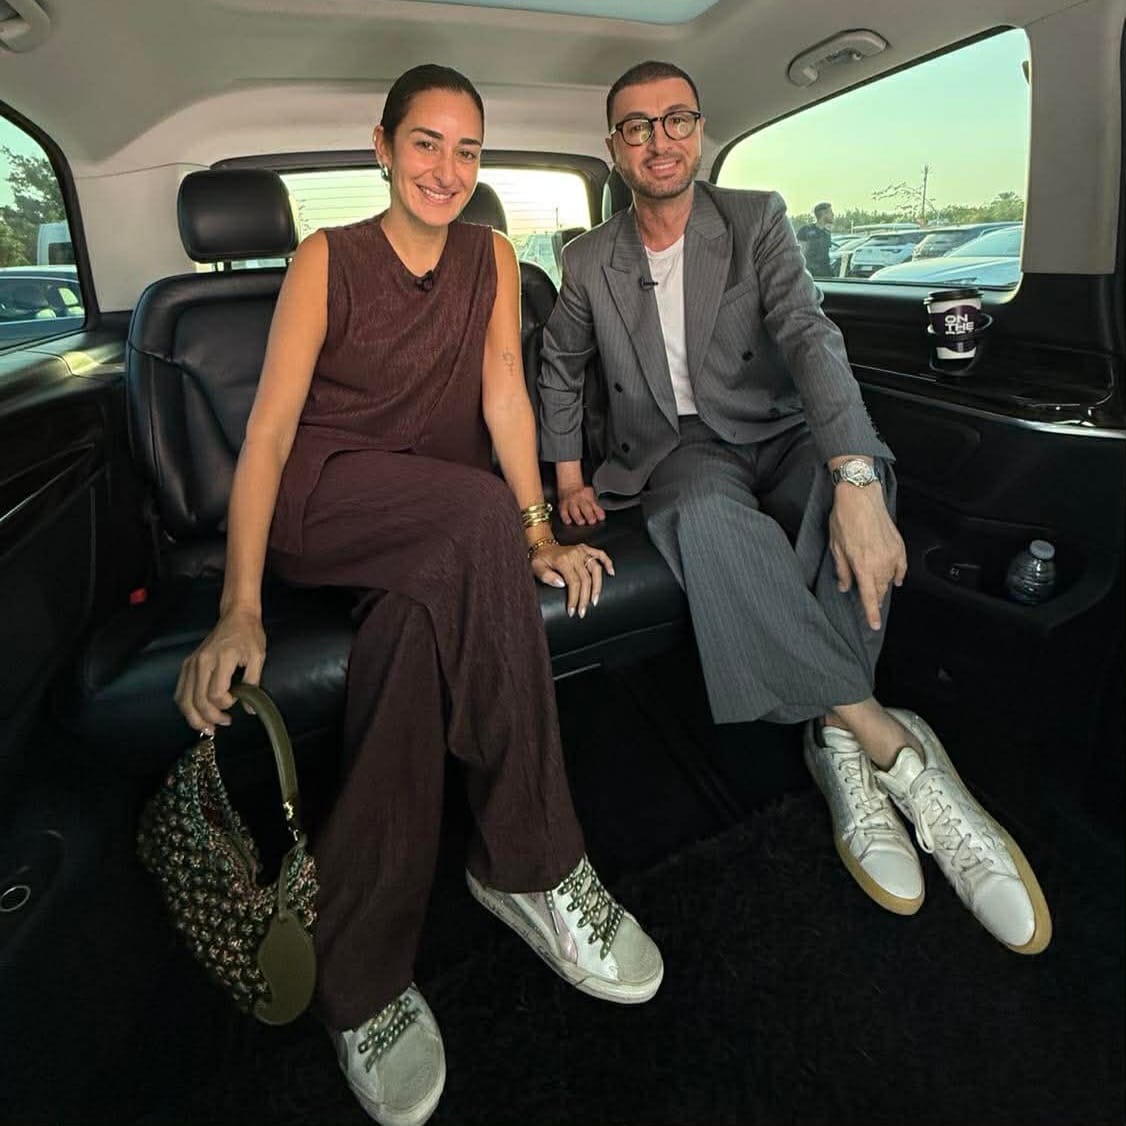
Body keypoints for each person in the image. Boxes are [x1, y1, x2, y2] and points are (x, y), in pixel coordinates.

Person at [175, 64, 663, 1126]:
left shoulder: (493, 258)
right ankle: (534, 860)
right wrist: (240, 605)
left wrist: (538, 530)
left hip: (442, 528)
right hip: (331, 502)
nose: (447, 168)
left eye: (467, 149)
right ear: (385, 148)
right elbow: (269, 434)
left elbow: (504, 396)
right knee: (474, 514)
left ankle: (358, 979)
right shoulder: (327, 258)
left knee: (409, 638)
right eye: (426, 143)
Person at [539, 60, 1051, 957]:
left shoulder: (756, 218)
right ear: (614, 148)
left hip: (773, 426)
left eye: (676, 119)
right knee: (703, 518)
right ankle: (884, 741)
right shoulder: (587, 260)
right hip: (676, 447)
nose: (660, 140)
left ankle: (832, 733)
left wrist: (854, 476)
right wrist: (571, 478)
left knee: (855, 485)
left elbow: (809, 334)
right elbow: (559, 368)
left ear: (698, 129)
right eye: (637, 126)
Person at [796, 201, 835, 277]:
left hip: (826, 275)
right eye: (831, 212)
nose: (833, 214)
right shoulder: (806, 230)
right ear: (824, 213)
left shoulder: (827, 233)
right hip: (811, 276)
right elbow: (800, 255)